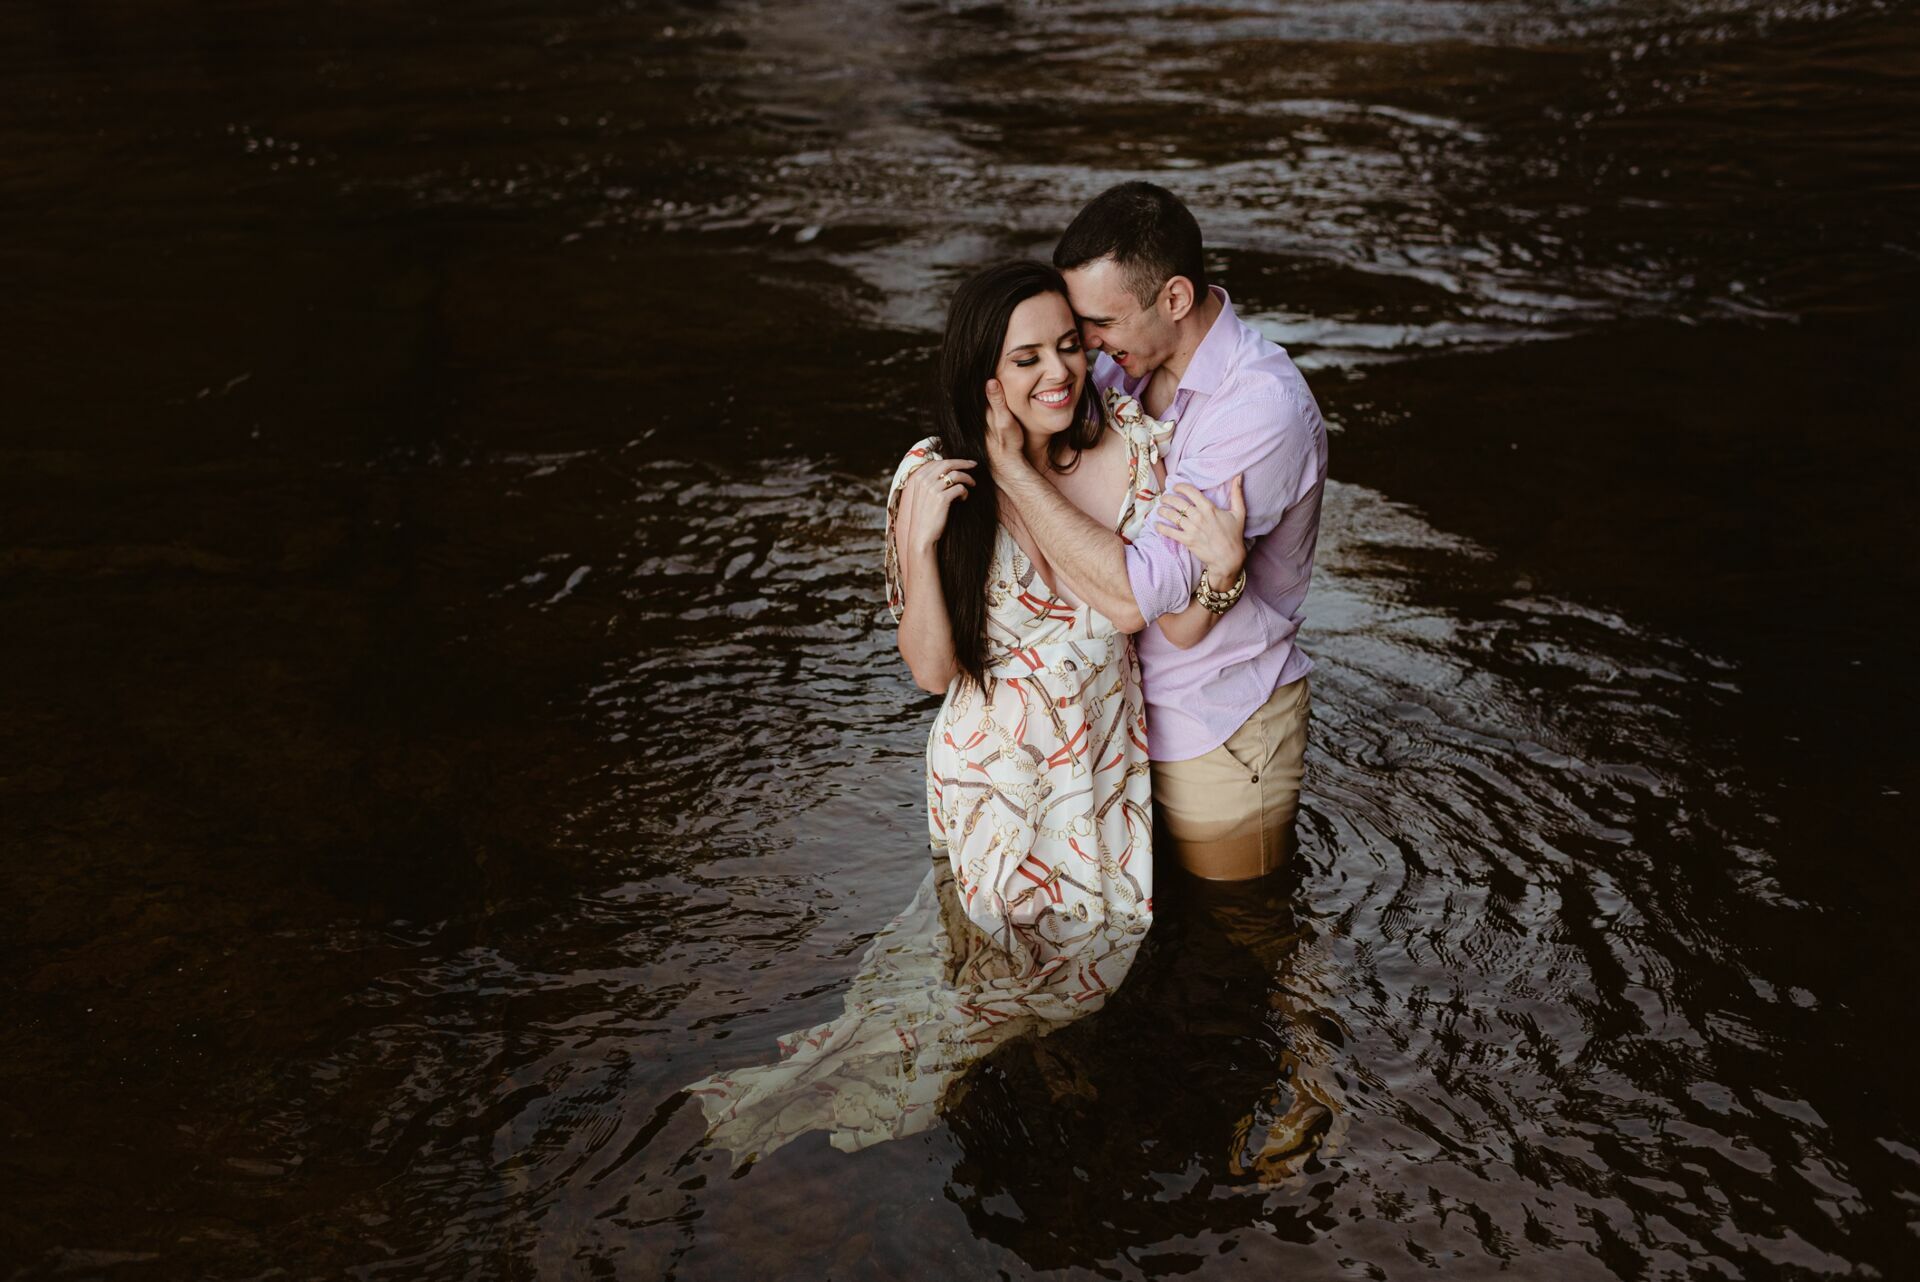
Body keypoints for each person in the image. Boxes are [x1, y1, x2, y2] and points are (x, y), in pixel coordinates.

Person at [684, 261, 1245, 1162]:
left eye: (1068, 347)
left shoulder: (1138, 447)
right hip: (995, 771)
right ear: (983, 373)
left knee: (1081, 971)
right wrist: (920, 539)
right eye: (1025, 359)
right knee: (1002, 971)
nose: (1057, 373)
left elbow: (1170, 624)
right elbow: (933, 672)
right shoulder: (930, 477)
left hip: (1100, 768)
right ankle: (860, 1090)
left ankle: (930, 1082)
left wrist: (1220, 576)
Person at [981, 181, 1330, 884]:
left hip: (1215, 723)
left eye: (1098, 324)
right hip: (1110, 723)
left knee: (1244, 926)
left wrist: (1014, 475)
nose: (1086, 346)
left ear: (1174, 299)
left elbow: (1142, 597)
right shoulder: (1121, 366)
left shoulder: (1258, 412)